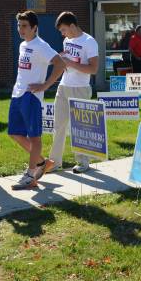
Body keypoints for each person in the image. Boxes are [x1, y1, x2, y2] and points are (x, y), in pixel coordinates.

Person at [9, 11, 66, 190]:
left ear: (34, 27)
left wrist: (45, 85)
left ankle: (31, 174)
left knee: (35, 137)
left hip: (31, 97)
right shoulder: (22, 45)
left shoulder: (41, 45)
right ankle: (42, 162)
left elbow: (60, 63)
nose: (21, 29)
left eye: (25, 26)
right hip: (17, 94)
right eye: (19, 25)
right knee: (14, 133)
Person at [48, 11, 98, 174]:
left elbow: (93, 68)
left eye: (63, 30)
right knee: (58, 126)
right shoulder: (67, 40)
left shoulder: (89, 42)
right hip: (63, 86)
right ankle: (54, 162)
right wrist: (58, 58)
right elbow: (67, 59)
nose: (62, 34)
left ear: (72, 26)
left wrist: (70, 62)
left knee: (80, 127)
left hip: (80, 88)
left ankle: (83, 162)